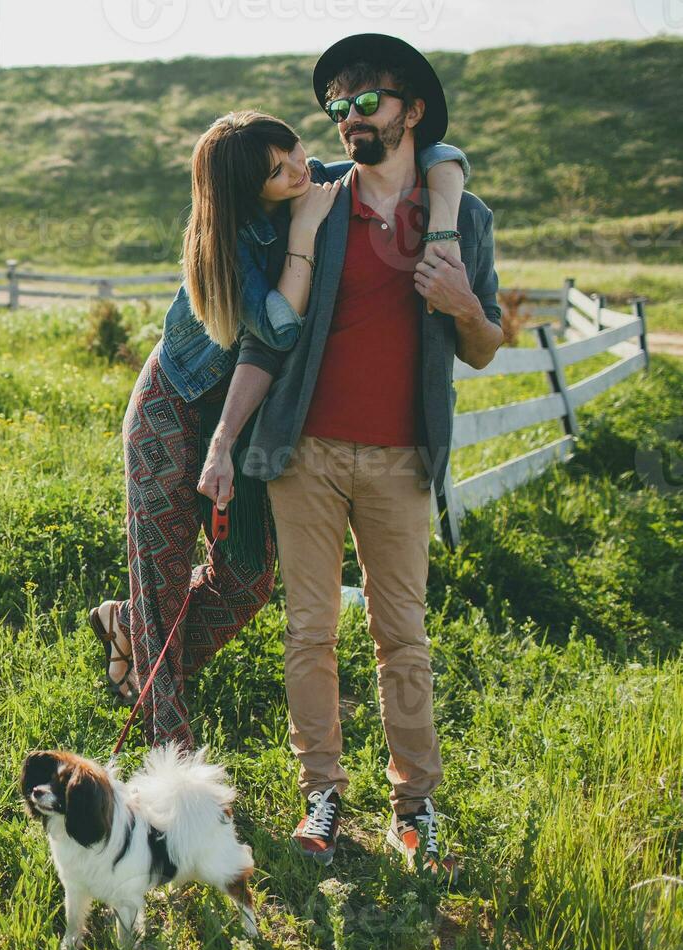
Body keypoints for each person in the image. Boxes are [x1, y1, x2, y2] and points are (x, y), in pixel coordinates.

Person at [197, 33, 504, 875]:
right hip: (307, 455)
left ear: (410, 109)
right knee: (311, 632)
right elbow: (267, 339)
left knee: (402, 636)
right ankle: (322, 795)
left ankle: (416, 808)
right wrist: (226, 441)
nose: (347, 118)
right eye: (336, 105)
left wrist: (463, 304)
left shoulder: (462, 218)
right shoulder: (316, 209)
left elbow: (483, 347)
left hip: (405, 460)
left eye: (366, 101)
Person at [87, 108, 472, 753]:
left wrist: (443, 224)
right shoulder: (228, 243)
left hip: (244, 421)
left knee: (246, 580)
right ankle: (171, 752)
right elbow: (276, 330)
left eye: (293, 149)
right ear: (246, 189)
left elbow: (441, 152)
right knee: (162, 577)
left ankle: (131, 633)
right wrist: (303, 233)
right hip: (173, 410)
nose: (298, 168)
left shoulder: (310, 182)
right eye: (277, 169)